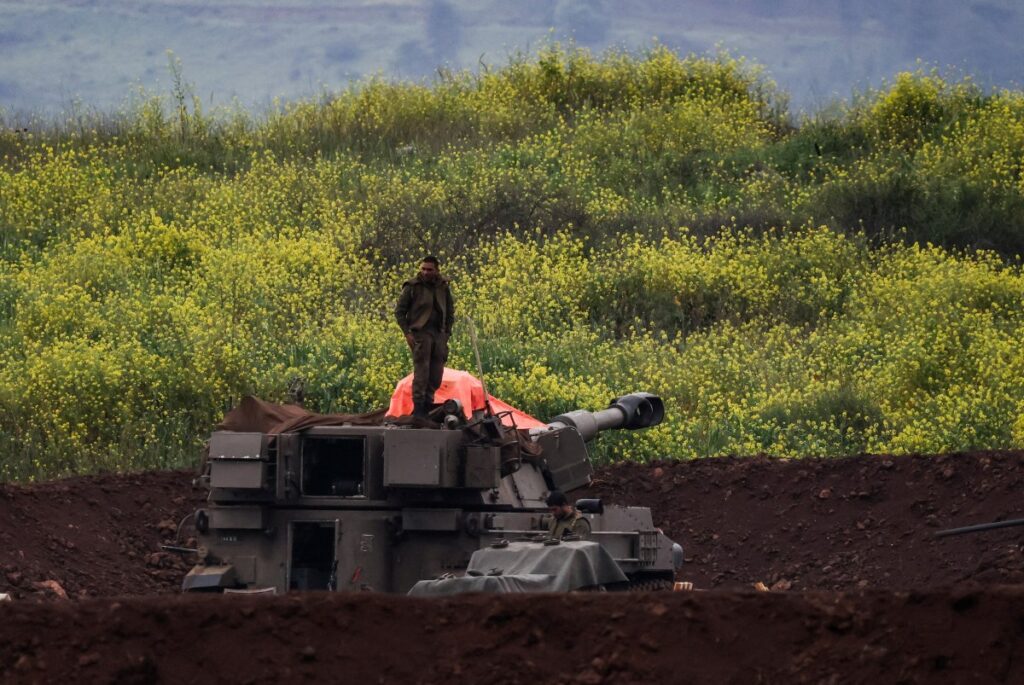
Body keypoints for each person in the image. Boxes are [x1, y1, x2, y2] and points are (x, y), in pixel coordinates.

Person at [394, 256, 455, 418]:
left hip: (439, 334)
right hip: (420, 334)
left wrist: (447, 333)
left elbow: (450, 311)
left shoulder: (443, 287)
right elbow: (399, 312)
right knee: (422, 373)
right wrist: (407, 333)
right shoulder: (413, 286)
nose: (426, 272)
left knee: (436, 374)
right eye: (423, 269)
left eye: (429, 269)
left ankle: (428, 406)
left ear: (437, 270)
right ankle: (419, 410)